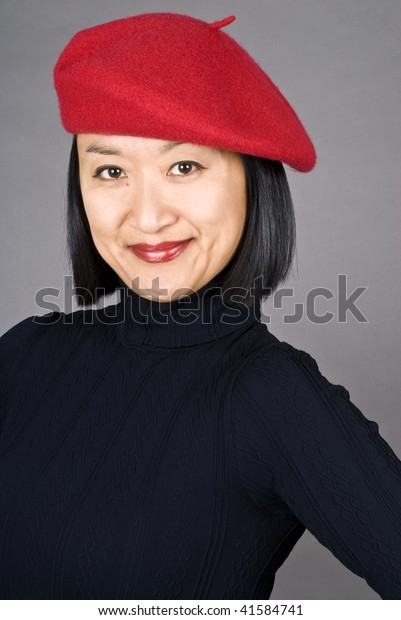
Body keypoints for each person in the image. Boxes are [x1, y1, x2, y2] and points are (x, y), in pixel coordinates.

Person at [0, 11, 400, 601]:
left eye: (183, 166)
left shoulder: (272, 395)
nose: (146, 217)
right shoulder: (27, 352)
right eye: (110, 170)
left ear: (250, 177)